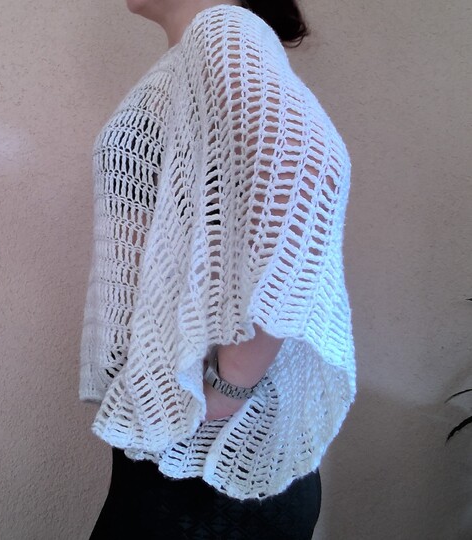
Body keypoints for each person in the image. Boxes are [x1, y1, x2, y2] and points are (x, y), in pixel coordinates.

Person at [80, 1, 356, 538]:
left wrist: (228, 389)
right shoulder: (193, 59)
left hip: (207, 463)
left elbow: (307, 164)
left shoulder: (222, 29)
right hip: (189, 452)